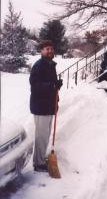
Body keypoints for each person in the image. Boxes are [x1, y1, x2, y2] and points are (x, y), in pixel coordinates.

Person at [29, 40, 63, 172]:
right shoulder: (39, 65)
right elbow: (35, 86)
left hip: (49, 105)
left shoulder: (50, 65)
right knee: (41, 136)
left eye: (51, 48)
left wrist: (56, 85)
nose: (49, 51)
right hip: (41, 106)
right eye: (46, 49)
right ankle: (38, 163)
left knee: (45, 135)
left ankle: (41, 158)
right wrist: (51, 86)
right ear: (41, 51)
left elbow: (50, 84)